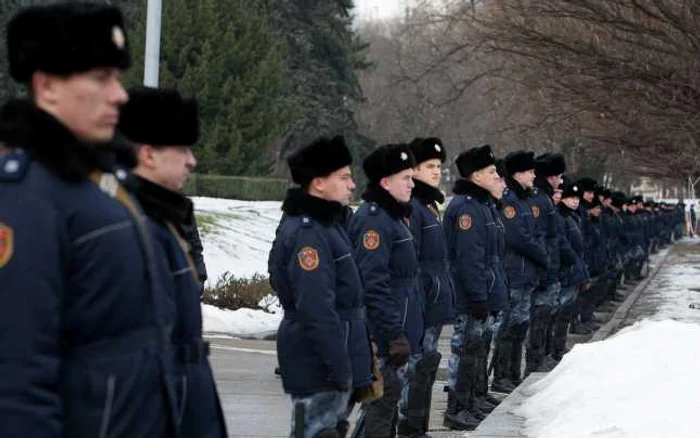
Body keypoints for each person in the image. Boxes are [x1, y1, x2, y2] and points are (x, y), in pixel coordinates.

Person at [0, 3, 179, 437]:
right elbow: (17, 376)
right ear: (47, 86)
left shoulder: (101, 186)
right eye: (101, 78)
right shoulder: (25, 197)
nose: (119, 94)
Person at [118, 87, 227, 438]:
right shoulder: (125, 225)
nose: (192, 161)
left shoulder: (162, 217)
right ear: (148, 154)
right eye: (182, 149)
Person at [268, 136, 374, 438]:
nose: (352, 185)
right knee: (316, 432)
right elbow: (316, 308)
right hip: (318, 360)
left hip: (335, 352)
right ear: (318, 183)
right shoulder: (308, 233)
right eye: (343, 177)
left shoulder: (327, 225)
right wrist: (338, 364)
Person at [348, 144, 422, 438]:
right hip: (383, 331)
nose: (412, 184)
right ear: (384, 182)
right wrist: (392, 333)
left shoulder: (391, 217)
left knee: (384, 403)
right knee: (382, 401)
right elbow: (373, 283)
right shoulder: (374, 220)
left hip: (399, 323)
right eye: (405, 177)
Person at [443, 145, 508, 430]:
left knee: (477, 348)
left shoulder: (483, 206)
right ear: (475, 176)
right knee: (466, 349)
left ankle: (472, 400)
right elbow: (469, 259)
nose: (497, 177)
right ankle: (457, 407)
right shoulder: (466, 207)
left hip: (485, 288)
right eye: (492, 172)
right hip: (470, 294)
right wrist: (478, 297)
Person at [399, 137, 455, 437]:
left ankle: (417, 427)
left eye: (438, 166)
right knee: (415, 370)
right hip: (420, 304)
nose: (436, 171)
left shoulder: (429, 205)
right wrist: (425, 294)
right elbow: (413, 261)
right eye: (429, 166)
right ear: (414, 170)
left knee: (427, 366)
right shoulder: (413, 208)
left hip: (432, 303)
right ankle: (409, 427)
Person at [495, 150, 548, 391]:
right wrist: (542, 254)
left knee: (520, 325)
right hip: (515, 271)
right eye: (529, 171)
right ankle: (501, 375)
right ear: (517, 174)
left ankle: (513, 374)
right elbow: (518, 237)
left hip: (527, 273)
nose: (534, 175)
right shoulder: (510, 200)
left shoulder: (524, 200)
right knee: (508, 327)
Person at [532, 153, 565, 372]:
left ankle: (541, 356)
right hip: (542, 267)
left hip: (549, 265)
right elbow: (539, 237)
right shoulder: (540, 199)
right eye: (558, 176)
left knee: (545, 315)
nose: (561, 182)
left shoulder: (544, 198)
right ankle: (536, 360)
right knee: (538, 318)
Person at [551, 180, 590, 360]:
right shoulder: (559, 217)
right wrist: (572, 261)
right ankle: (555, 350)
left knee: (566, 313)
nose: (575, 202)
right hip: (564, 272)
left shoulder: (573, 217)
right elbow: (562, 245)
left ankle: (559, 347)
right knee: (559, 314)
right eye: (570, 198)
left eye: (577, 199)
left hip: (574, 271)